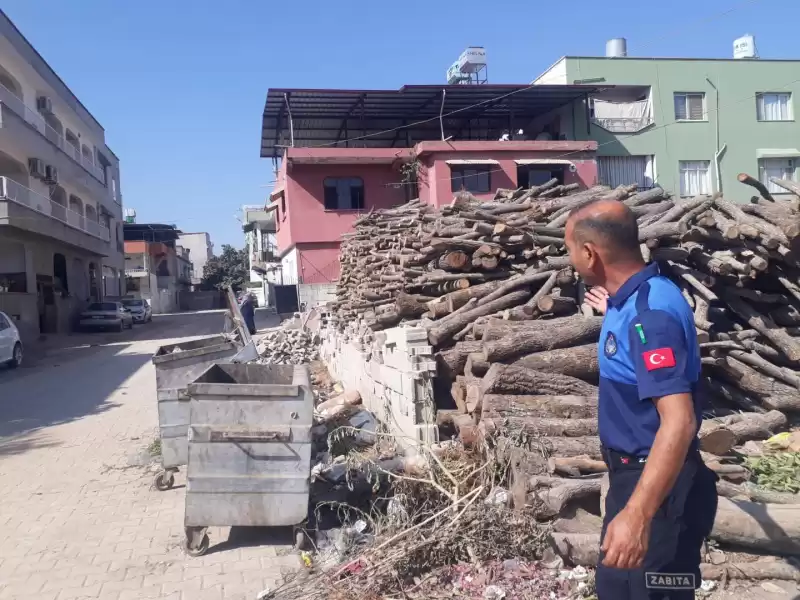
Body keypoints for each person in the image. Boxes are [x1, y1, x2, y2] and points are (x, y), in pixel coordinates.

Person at [564, 199, 718, 599]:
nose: (569, 259)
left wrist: (638, 514)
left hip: (658, 488)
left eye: (569, 249)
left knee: (643, 592)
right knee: (618, 587)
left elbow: (679, 421)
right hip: (635, 478)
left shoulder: (649, 316)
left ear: (589, 252)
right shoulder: (631, 297)